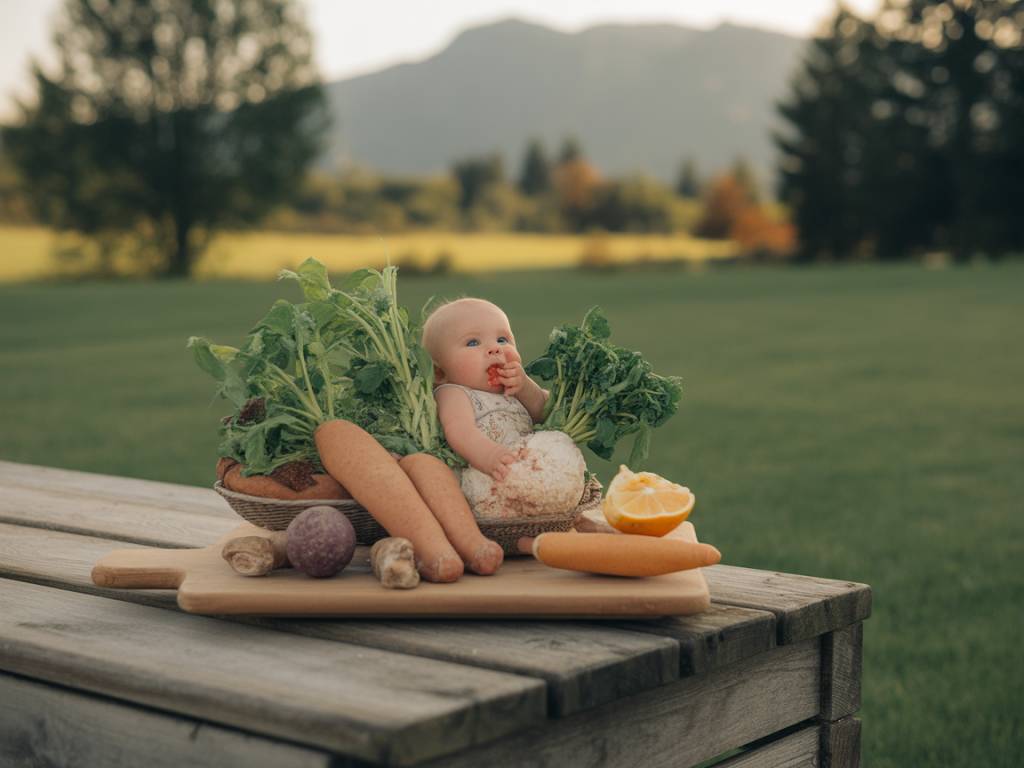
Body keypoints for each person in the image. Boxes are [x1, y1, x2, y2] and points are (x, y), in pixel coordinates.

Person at [421, 297, 549, 480]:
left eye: (502, 339)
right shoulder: (454, 393)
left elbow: (545, 411)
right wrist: (489, 455)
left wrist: (525, 386)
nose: (495, 348)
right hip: (488, 476)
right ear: (440, 373)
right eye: (473, 343)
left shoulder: (515, 390)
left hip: (529, 472)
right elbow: (459, 430)